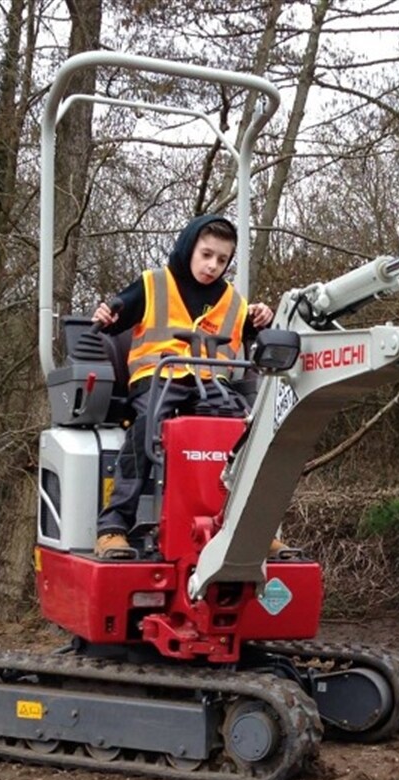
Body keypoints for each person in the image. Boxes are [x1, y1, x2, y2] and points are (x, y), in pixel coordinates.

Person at [92, 213, 275, 560]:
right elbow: (114, 316)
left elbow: (252, 335)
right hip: (158, 378)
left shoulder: (234, 301)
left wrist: (261, 317)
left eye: (222, 259)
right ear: (189, 247)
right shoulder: (153, 284)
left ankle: (255, 530)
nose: (213, 265)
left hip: (213, 385)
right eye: (206, 254)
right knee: (148, 425)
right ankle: (113, 527)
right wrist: (106, 314)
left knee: (254, 432)